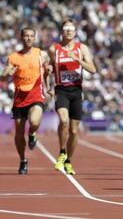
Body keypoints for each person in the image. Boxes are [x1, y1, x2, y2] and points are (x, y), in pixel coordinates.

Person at [49, 19, 97, 175]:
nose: (68, 31)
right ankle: (62, 152)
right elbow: (48, 68)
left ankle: (69, 161)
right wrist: (49, 85)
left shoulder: (81, 48)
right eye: (65, 29)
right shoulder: (53, 49)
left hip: (76, 91)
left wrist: (77, 59)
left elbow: (93, 69)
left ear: (75, 32)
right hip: (61, 90)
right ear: (61, 32)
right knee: (64, 121)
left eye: (71, 29)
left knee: (74, 131)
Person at [1, 27, 50, 174]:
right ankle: (23, 160)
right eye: (26, 36)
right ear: (21, 38)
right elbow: (3, 77)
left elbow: (47, 72)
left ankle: (32, 134)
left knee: (34, 122)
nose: (28, 38)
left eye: (31, 36)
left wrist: (47, 87)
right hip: (19, 98)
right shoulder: (13, 57)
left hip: (36, 95)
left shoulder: (42, 54)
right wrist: (6, 74)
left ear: (34, 38)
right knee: (18, 133)